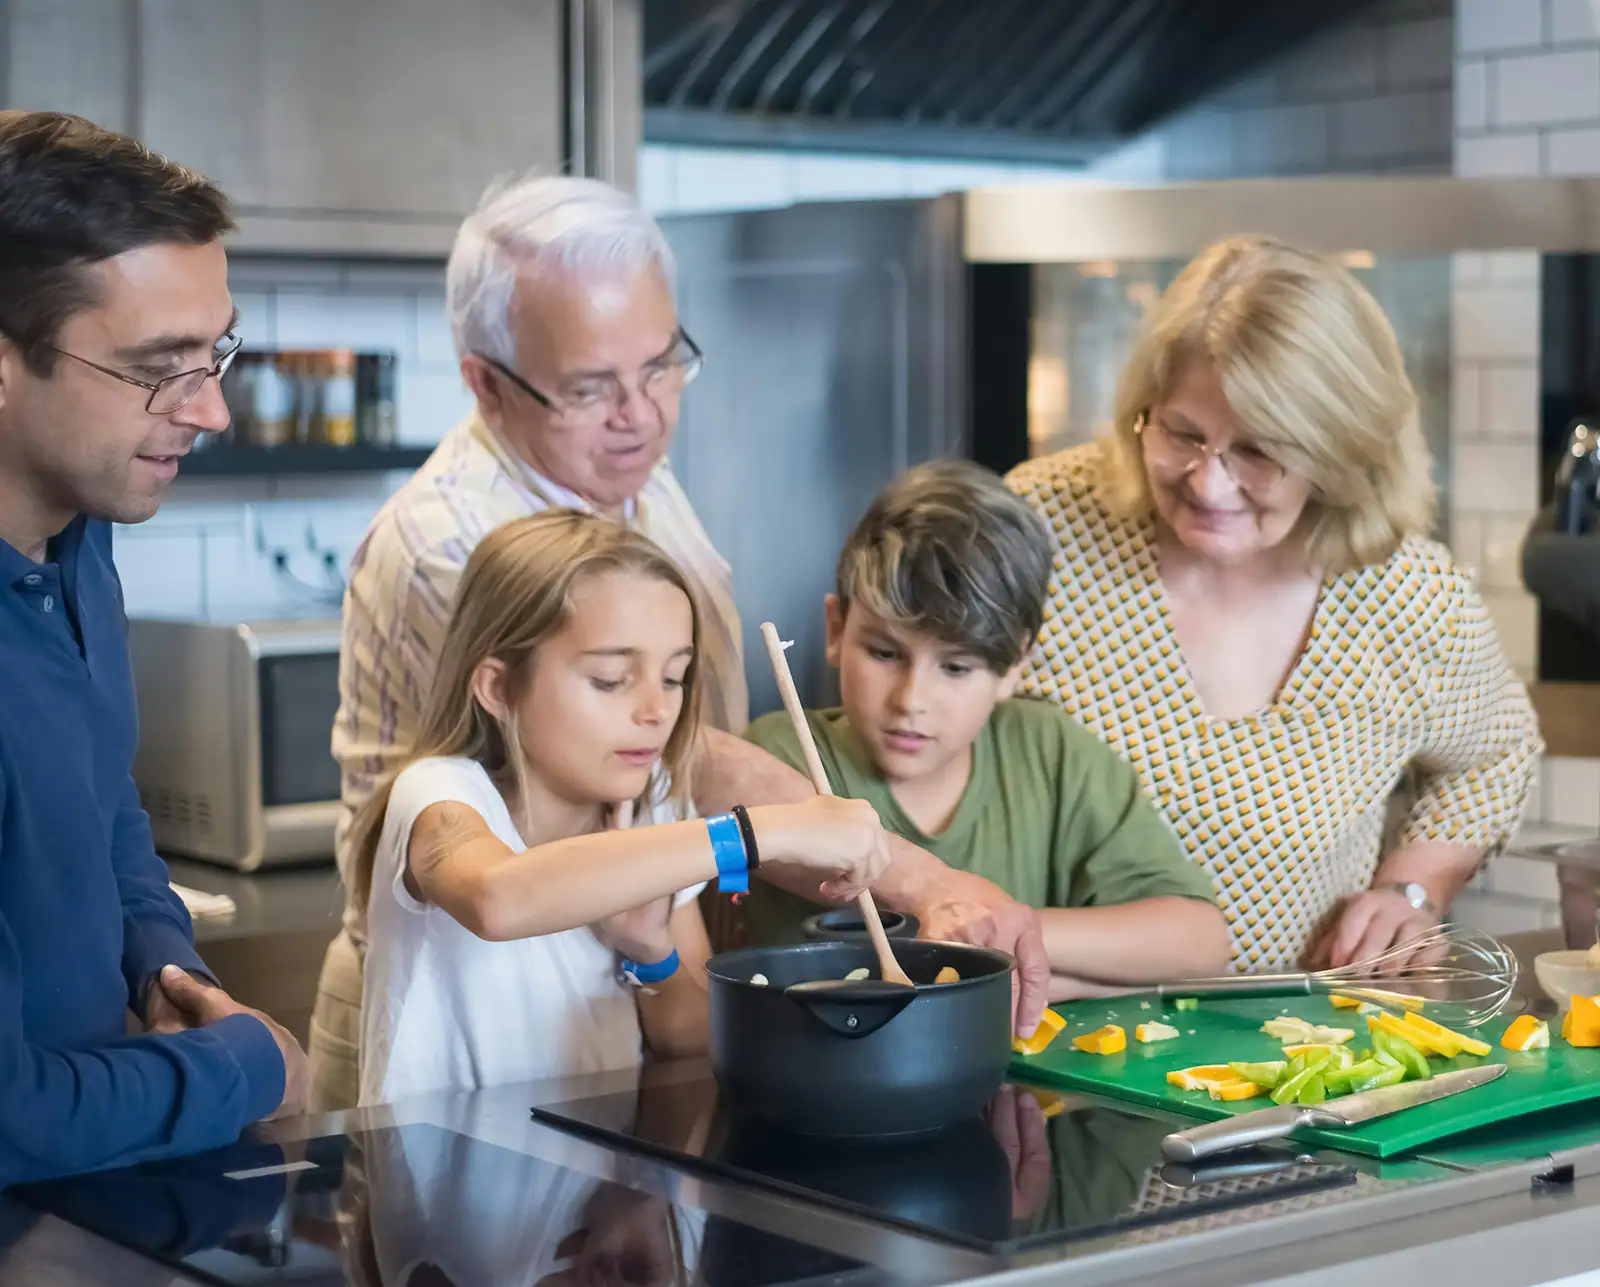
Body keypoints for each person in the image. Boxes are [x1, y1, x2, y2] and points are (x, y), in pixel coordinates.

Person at [316, 176, 1049, 1110]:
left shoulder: (625, 467)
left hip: (603, 998)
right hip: (455, 1019)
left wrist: (667, 948)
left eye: (661, 366)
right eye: (592, 387)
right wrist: (877, 862)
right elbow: (676, 760)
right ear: (485, 383)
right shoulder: (446, 546)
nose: (643, 413)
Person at [1008, 234, 1543, 975]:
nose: (1208, 483)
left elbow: (1494, 756)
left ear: (1337, 452)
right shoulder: (1041, 526)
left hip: (1290, 1052)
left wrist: (1413, 891)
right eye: (1182, 434)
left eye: (1257, 452)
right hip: (1043, 1044)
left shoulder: (1408, 600)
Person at [0, 110, 306, 1183]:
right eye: (158, 368)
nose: (213, 410)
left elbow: (104, 801)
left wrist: (160, 962)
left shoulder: (76, 540)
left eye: (213, 352)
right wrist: (247, 1066)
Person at [348, 510, 889, 1104]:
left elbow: (689, 1034)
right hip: (445, 1183)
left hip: (599, 1179)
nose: (656, 710)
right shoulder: (439, 793)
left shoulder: (653, 803)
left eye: (675, 677)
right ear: (499, 687)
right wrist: (759, 831)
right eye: (610, 680)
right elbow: (499, 898)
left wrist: (651, 953)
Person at [742, 461, 1230, 995]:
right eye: (885, 653)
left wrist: (1008, 931)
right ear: (836, 629)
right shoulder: (781, 754)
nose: (911, 700)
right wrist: (1062, 976)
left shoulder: (1050, 751)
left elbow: (1199, 941)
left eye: (956, 668)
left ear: (1015, 665)